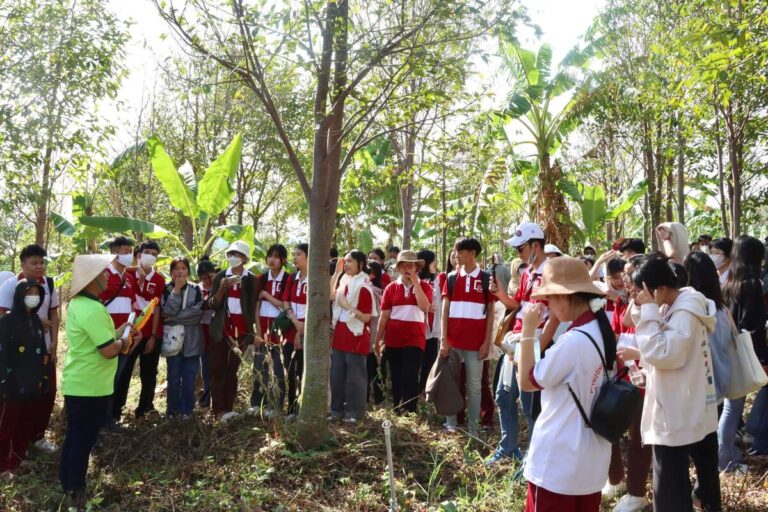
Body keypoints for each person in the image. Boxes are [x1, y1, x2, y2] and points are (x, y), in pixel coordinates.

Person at [516, 256, 615, 511]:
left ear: (563, 296)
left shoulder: (572, 342)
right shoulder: (602, 332)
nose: (548, 305)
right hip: (591, 461)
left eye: (549, 298)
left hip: (558, 461)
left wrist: (528, 331)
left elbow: (527, 381)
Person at [632, 256, 721, 512]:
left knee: (670, 486)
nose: (638, 296)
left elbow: (664, 353)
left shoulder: (684, 313)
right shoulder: (679, 305)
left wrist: (649, 311)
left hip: (675, 409)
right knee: (685, 475)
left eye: (642, 291)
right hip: (686, 401)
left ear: (659, 289)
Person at [60, 254, 140, 504]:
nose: (107, 276)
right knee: (82, 439)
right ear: (92, 279)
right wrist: (124, 341)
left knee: (76, 436)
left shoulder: (81, 304)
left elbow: (99, 339)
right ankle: (75, 488)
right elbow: (107, 350)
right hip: (89, 386)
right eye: (103, 273)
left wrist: (120, 333)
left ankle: (68, 482)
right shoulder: (92, 309)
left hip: (82, 382)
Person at [488, 223, 559, 464]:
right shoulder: (527, 272)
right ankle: (508, 448)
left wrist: (538, 349)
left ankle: (532, 458)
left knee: (531, 406)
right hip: (515, 342)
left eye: (521, 248)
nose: (518, 253)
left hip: (534, 342)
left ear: (535, 245)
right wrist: (499, 294)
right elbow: (517, 305)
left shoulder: (552, 272)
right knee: (504, 395)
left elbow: (555, 315)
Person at [0, 244, 60, 452]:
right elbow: (3, 317)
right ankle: (15, 441)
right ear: (23, 264)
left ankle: (37, 435)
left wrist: (54, 342)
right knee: (17, 396)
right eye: (34, 263)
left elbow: (54, 315)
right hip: (18, 354)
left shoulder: (48, 284)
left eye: (42, 262)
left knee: (46, 392)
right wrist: (33, 320)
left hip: (42, 348)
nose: (39, 266)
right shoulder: (10, 285)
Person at [683, 252, 735, 473]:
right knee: (708, 445)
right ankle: (707, 486)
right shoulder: (722, 309)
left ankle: (703, 486)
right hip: (720, 384)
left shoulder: (693, 312)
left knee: (698, 446)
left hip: (700, 388)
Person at [439, 237, 495, 435]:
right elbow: (445, 311)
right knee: (451, 383)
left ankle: (473, 429)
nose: (457, 255)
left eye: (460, 251)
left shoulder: (487, 278)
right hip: (453, 342)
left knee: (474, 386)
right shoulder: (451, 278)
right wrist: (443, 340)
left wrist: (487, 341)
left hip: (476, 344)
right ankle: (451, 424)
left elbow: (491, 312)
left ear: (472, 253)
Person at [722, 236, 768, 458]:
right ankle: (726, 455)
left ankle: (730, 449)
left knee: (732, 404)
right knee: (734, 405)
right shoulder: (752, 283)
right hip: (747, 348)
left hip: (731, 346)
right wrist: (762, 357)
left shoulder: (730, 282)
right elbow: (752, 323)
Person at [0, 280, 49, 477]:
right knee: (7, 426)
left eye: (37, 293)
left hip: (32, 383)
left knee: (24, 423)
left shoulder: (36, 320)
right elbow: (2, 353)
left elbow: (42, 351)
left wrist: (43, 376)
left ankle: (17, 460)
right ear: (20, 295)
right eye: (29, 292)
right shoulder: (7, 321)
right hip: (12, 384)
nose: (33, 296)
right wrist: (3, 381)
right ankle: (3, 466)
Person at [208, 241, 260, 423]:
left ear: (244, 259)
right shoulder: (220, 276)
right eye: (230, 254)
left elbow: (252, 307)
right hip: (221, 330)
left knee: (232, 371)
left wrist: (251, 334)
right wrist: (222, 290)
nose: (233, 258)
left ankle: (228, 409)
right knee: (217, 369)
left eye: (237, 255)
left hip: (241, 333)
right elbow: (212, 304)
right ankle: (217, 410)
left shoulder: (251, 280)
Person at [374, 250, 432, 414]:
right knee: (396, 375)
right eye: (403, 265)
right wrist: (377, 339)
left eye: (411, 265)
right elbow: (384, 316)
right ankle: (397, 408)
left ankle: (409, 410)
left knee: (410, 374)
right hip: (393, 339)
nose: (407, 268)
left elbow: (425, 307)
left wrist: (416, 284)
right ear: (398, 268)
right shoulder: (391, 288)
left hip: (415, 338)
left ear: (417, 268)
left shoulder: (425, 286)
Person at [115, 241, 165, 420]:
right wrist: (137, 273)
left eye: (154, 254)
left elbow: (156, 308)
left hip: (150, 332)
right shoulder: (128, 274)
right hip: (130, 333)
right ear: (138, 255)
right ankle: (116, 411)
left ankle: (144, 409)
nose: (151, 256)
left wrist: (153, 335)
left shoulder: (159, 279)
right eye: (147, 252)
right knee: (124, 371)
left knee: (149, 372)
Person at [330, 250, 376, 423]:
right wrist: (336, 273)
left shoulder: (363, 286)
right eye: (346, 261)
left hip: (356, 336)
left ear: (360, 264)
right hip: (340, 334)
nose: (346, 264)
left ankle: (354, 413)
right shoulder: (344, 281)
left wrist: (346, 306)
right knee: (336, 375)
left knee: (355, 378)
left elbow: (366, 317)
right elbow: (330, 295)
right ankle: (336, 410)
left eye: (350, 261)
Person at [100, 236, 137, 430]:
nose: (129, 255)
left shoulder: (128, 278)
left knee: (116, 379)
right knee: (105, 380)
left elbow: (131, 306)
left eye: (130, 251)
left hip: (124, 337)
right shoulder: (103, 276)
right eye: (125, 251)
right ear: (114, 253)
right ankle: (101, 420)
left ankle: (110, 418)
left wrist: (133, 330)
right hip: (107, 337)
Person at [162, 257, 205, 420]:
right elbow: (167, 311)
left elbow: (197, 313)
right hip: (172, 341)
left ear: (188, 271)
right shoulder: (166, 289)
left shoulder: (196, 289)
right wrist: (176, 289)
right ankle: (172, 410)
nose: (180, 271)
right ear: (171, 272)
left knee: (189, 377)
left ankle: (187, 410)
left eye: (183, 268)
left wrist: (173, 318)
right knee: (173, 377)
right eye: (176, 268)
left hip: (191, 341)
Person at [251, 244, 289, 417]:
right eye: (269, 256)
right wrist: (258, 333)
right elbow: (256, 307)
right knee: (260, 369)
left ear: (283, 260)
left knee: (278, 370)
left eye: (276, 257)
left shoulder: (288, 279)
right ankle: (257, 403)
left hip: (280, 331)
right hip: (263, 331)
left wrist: (266, 295)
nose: (272, 260)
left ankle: (276, 406)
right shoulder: (262, 278)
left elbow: (284, 305)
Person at [284, 243, 309, 417]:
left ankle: (304, 409)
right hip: (291, 330)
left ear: (309, 256)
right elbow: (286, 301)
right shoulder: (292, 277)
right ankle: (291, 410)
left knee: (303, 372)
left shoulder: (316, 279)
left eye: (298, 254)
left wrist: (302, 329)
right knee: (290, 371)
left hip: (308, 332)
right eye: (294, 254)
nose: (294, 257)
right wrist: (294, 321)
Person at [418, 249, 444, 394]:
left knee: (430, 359)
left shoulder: (436, 280)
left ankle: (426, 389)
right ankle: (417, 390)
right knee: (419, 360)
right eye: (433, 261)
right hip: (419, 326)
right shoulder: (416, 280)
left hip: (433, 328)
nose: (435, 264)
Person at [197, 258, 217, 408]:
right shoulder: (196, 289)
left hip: (216, 329)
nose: (207, 281)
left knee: (215, 363)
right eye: (203, 278)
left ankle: (213, 394)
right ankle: (206, 393)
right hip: (201, 329)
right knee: (204, 364)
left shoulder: (219, 287)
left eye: (209, 277)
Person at [366, 259, 386, 405]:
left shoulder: (373, 291)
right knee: (374, 367)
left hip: (372, 334)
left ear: (373, 274)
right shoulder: (381, 291)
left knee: (371, 367)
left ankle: (372, 397)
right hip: (375, 334)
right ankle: (377, 397)